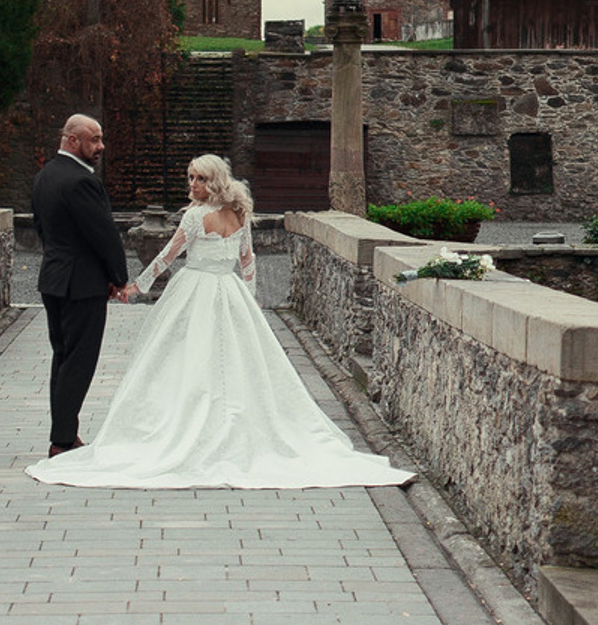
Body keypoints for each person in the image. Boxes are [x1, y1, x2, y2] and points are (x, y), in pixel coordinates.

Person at [30, 153, 412, 490]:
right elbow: (247, 261)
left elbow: (167, 257)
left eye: (198, 178)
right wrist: (250, 296)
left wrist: (135, 288)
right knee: (231, 359)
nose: (192, 184)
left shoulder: (195, 218)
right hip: (230, 292)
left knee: (187, 358)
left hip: (196, 290)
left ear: (212, 182)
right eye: (190, 177)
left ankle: (193, 429)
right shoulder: (239, 215)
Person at [29, 113, 130, 456]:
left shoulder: (44, 176)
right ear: (72, 140)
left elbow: (41, 229)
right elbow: (104, 235)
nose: (100, 147)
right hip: (82, 285)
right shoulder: (81, 182)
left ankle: (65, 434)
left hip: (53, 280)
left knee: (63, 357)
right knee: (79, 361)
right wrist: (119, 277)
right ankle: (62, 441)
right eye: (94, 140)